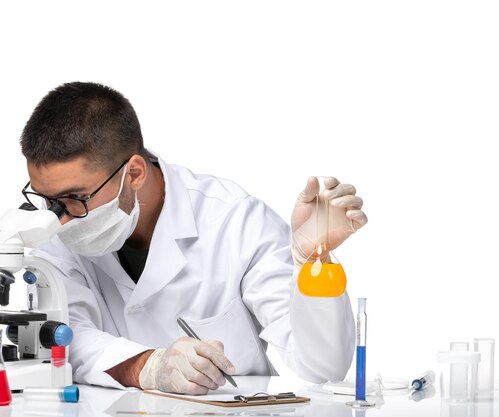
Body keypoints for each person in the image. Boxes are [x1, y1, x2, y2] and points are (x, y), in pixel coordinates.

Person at [20, 82, 368, 394]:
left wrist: (312, 262)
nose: (61, 218)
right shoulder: (57, 227)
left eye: (75, 198)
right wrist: (150, 366)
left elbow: (323, 368)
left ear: (135, 174)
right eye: (48, 200)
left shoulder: (235, 221)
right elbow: (64, 338)